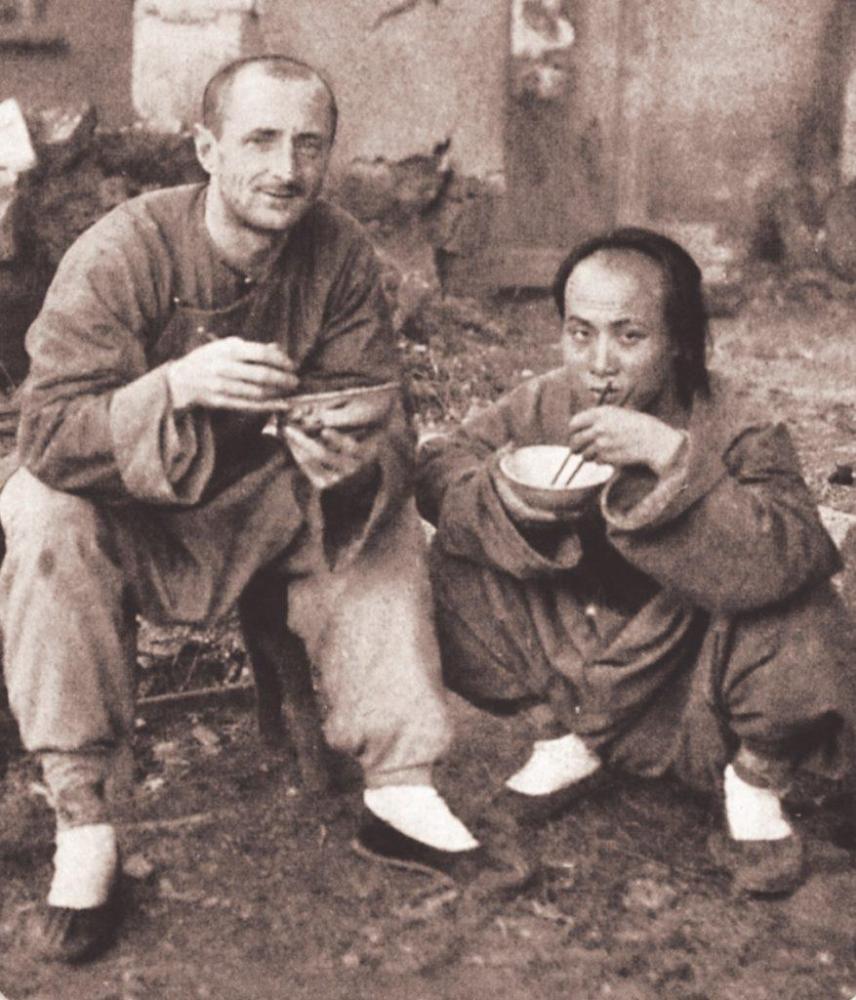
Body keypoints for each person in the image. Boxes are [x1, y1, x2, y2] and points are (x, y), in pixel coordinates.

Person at [0, 55, 492, 963]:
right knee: (40, 512)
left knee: (378, 503)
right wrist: (175, 385)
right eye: (260, 140)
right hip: (134, 512)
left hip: (268, 497)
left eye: (309, 144)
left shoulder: (339, 251)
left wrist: (345, 451)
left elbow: (376, 397)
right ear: (205, 148)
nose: (286, 168)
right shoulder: (123, 250)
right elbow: (48, 434)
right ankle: (84, 822)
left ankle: (400, 785)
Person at [417, 228, 856, 896]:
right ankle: (567, 742)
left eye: (629, 337)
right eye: (578, 333)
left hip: (699, 678)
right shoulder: (543, 404)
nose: (600, 365)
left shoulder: (741, 423)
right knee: (443, 562)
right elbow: (443, 465)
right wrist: (503, 498)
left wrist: (673, 460)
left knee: (803, 604)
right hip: (580, 658)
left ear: (678, 340)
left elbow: (797, 549)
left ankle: (754, 783)